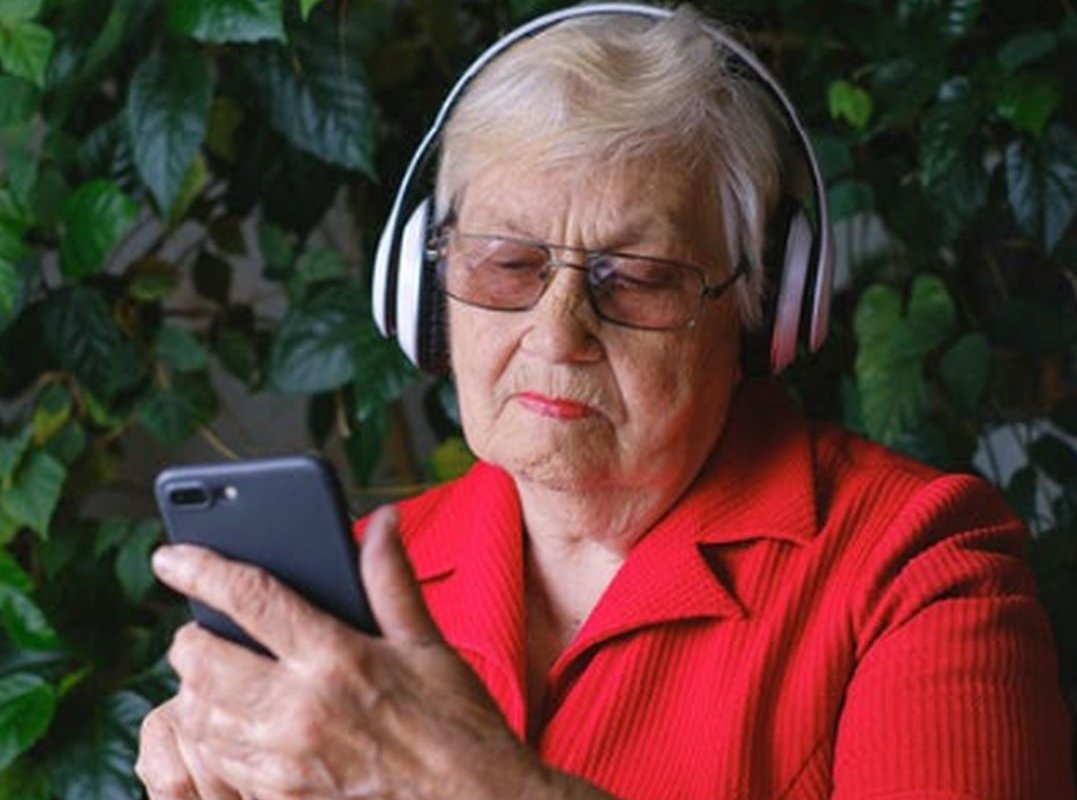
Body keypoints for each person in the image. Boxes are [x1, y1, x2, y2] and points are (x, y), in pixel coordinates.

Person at [136, 4, 1076, 799]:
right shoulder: (360, 594)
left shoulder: (915, 567)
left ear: (758, 314)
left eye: (637, 278)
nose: (556, 333)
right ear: (420, 290)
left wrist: (472, 781)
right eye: (505, 264)